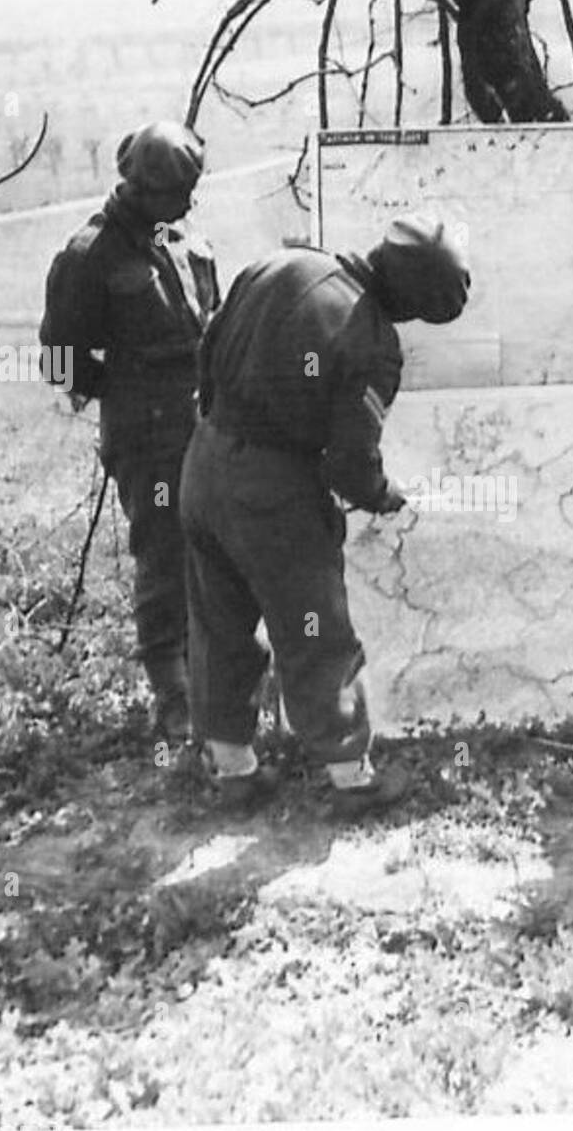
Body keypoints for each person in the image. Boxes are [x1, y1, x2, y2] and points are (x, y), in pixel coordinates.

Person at [179, 214, 471, 812]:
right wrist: (381, 494)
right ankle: (350, 778)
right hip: (273, 493)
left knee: (218, 622)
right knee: (314, 629)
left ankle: (234, 769)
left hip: (202, 465)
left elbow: (206, 353)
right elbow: (348, 464)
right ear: (414, 300)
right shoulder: (370, 341)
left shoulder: (281, 263)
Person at [41, 120, 219, 745]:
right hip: (146, 436)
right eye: (179, 192)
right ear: (143, 188)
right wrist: (108, 384)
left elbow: (212, 322)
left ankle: (218, 679)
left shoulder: (184, 238)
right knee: (164, 555)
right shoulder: (89, 254)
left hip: (203, 424)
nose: (190, 203)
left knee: (215, 551)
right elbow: (60, 357)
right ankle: (173, 697)